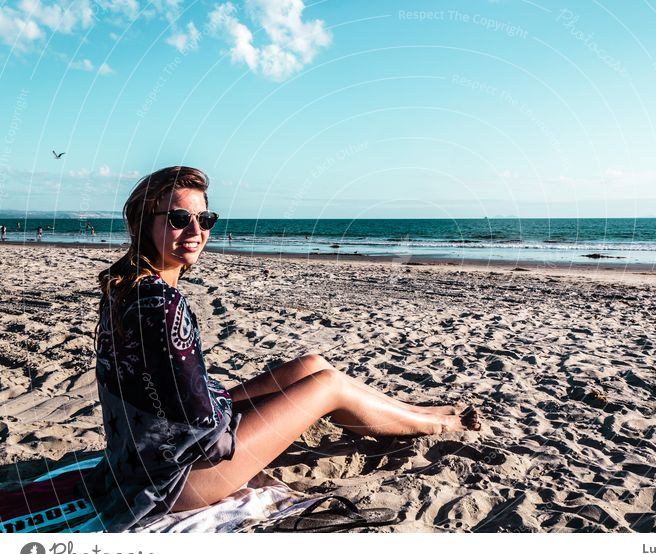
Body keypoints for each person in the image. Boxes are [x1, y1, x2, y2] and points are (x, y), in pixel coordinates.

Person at [76, 166, 478, 532]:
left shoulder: (128, 287)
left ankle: (416, 412)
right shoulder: (161, 305)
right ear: (144, 224)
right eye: (179, 219)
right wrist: (241, 415)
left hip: (143, 455)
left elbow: (175, 396)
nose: (195, 230)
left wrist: (240, 401)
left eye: (205, 219)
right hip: (175, 478)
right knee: (327, 386)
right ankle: (441, 424)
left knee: (310, 365)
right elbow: (207, 434)